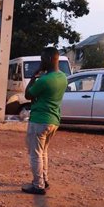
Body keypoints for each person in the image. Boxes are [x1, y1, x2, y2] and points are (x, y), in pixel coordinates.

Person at [21, 46, 68, 195]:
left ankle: (38, 185)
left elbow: (28, 95)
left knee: (35, 154)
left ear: (48, 59)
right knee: (43, 152)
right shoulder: (63, 77)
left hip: (39, 120)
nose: (40, 62)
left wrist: (34, 76)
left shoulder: (44, 80)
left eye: (42, 59)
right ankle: (44, 180)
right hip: (53, 120)